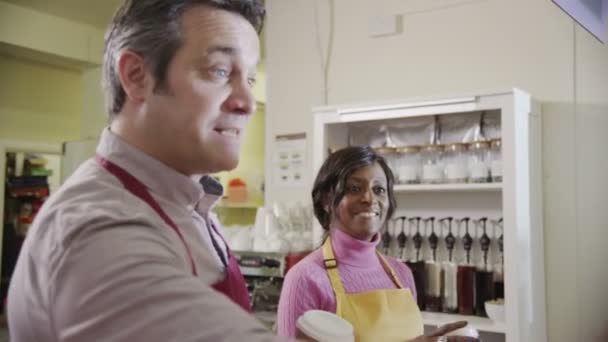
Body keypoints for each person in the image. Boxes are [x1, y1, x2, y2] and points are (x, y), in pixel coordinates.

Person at [7, 1, 286, 341]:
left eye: (251, 78)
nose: (247, 102)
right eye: (220, 71)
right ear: (137, 77)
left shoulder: (189, 201)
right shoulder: (100, 230)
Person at [276, 146, 477, 342]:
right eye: (354, 188)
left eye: (379, 189)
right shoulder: (305, 278)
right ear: (327, 200)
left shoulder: (402, 274)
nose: (369, 198)